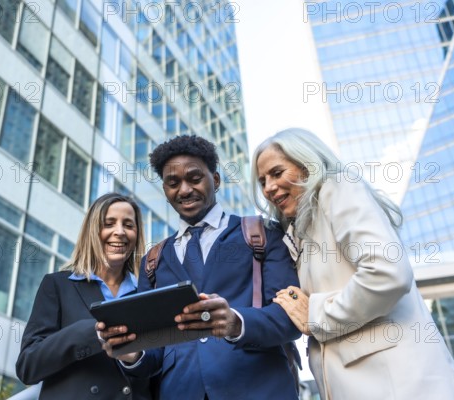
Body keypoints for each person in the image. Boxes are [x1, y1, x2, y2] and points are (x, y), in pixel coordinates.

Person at [252, 128, 454, 399]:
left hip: (400, 385)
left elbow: (387, 274)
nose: (269, 188)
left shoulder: (336, 189)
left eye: (276, 173)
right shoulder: (301, 231)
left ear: (307, 165)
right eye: (262, 181)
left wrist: (315, 314)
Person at [97, 135, 301, 399]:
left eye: (194, 179)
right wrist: (130, 353)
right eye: (173, 183)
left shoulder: (261, 234)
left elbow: (290, 317)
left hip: (258, 389)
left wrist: (236, 322)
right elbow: (153, 355)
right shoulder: (153, 260)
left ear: (215, 180)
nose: (184, 190)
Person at [15, 193, 153, 400]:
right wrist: (94, 333)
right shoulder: (58, 285)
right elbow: (28, 366)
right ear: (93, 231)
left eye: (128, 225)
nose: (120, 232)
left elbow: (159, 369)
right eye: (109, 224)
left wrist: (134, 360)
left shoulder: (147, 294)